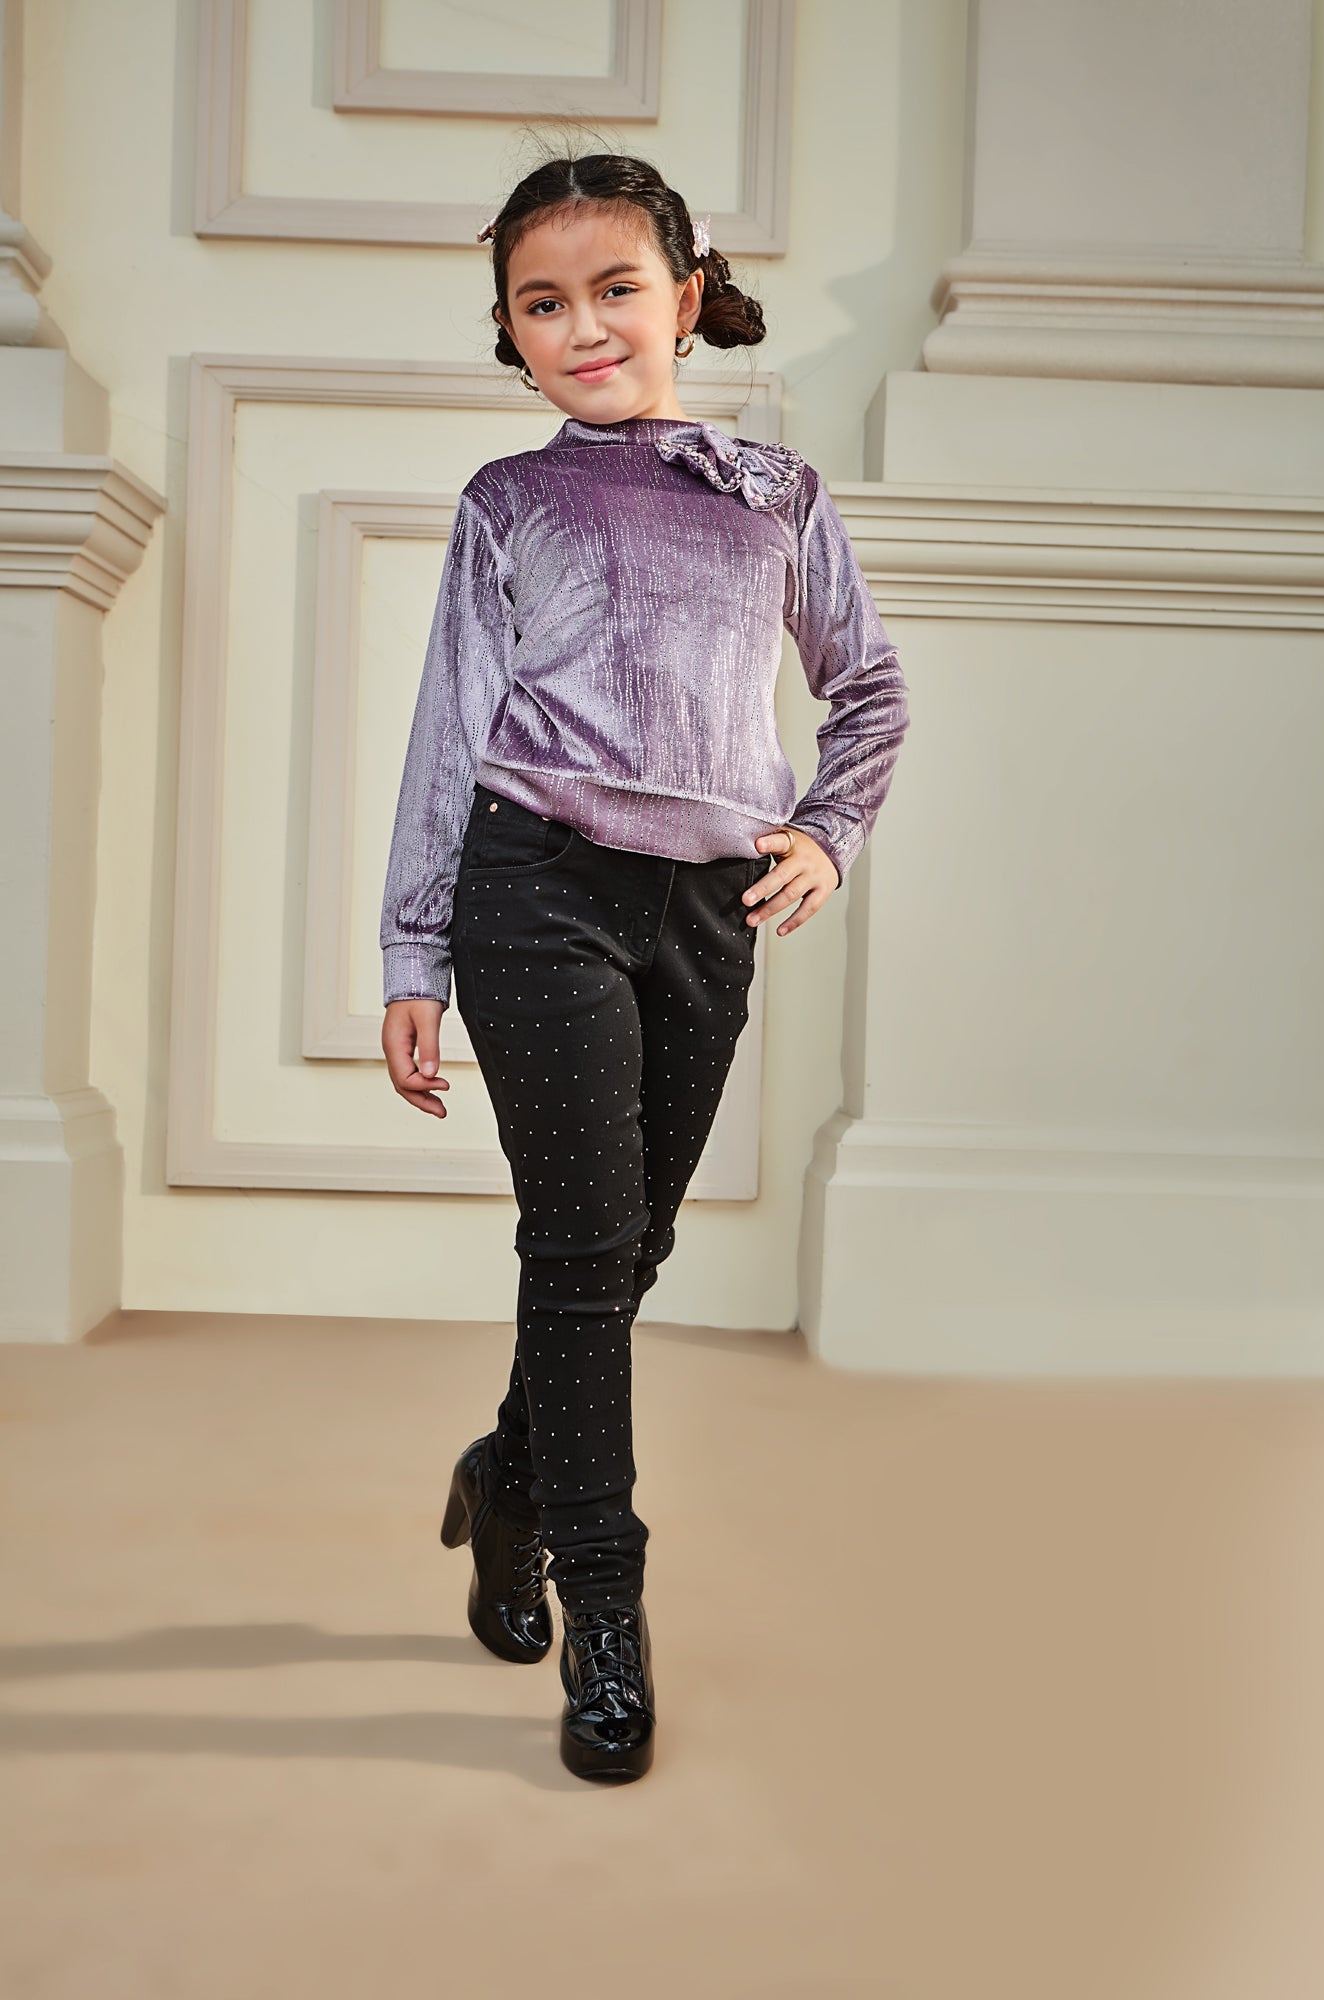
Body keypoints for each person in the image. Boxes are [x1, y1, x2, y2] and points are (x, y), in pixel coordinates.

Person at [379, 149, 910, 1784]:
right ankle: (604, 1608)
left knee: (634, 1244)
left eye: (614, 290)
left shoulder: (775, 495)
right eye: (542, 304)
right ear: (513, 333)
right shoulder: (510, 501)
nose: (583, 327)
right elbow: (448, 731)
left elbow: (869, 687)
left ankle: (509, 1470)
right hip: (532, 887)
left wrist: (826, 828)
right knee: (578, 1244)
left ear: (684, 298)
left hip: (703, 910)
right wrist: (412, 950)